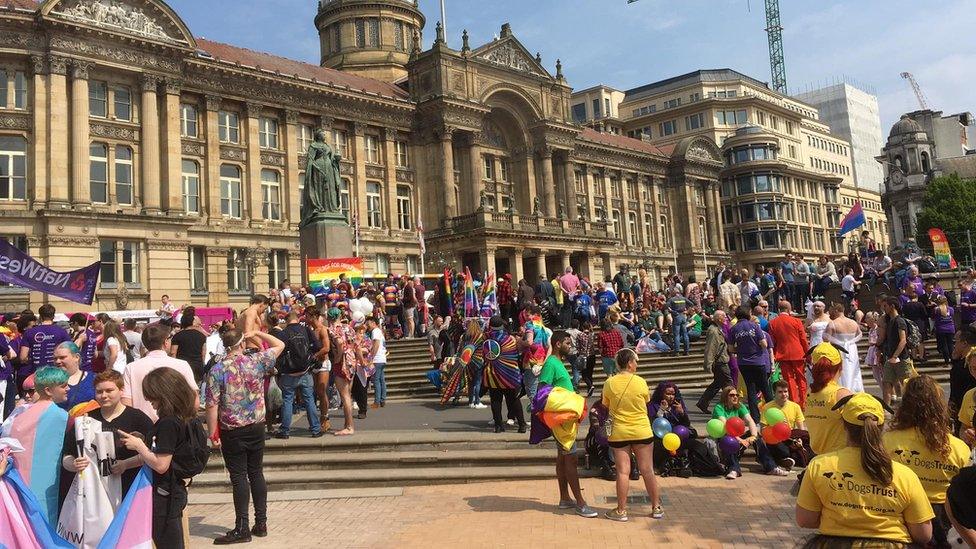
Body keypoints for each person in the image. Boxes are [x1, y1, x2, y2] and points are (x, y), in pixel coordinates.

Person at [796, 393, 934, 547]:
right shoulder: (905, 475)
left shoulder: (819, 465)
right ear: (881, 428)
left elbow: (805, 519)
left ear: (844, 426)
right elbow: (924, 534)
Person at [205, 328, 284, 544]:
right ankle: (261, 522)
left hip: (233, 428)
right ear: (242, 343)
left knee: (239, 477)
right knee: (256, 472)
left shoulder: (218, 369)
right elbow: (280, 345)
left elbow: (211, 405)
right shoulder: (256, 360)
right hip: (256, 425)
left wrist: (212, 433)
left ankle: (242, 526)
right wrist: (257, 332)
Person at [883, 375, 970, 547]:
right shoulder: (959, 448)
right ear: (939, 406)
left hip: (904, 513)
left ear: (905, 405)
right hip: (946, 517)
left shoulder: (888, 440)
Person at [119, 367, 199, 547]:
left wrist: (139, 446)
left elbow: (161, 464)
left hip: (165, 495)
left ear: (163, 394)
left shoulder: (168, 423)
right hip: (172, 491)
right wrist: (125, 463)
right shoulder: (181, 418)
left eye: (151, 395)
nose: (148, 400)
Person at [61, 369, 153, 496]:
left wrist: (126, 464)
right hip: (95, 493)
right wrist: (74, 464)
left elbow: (154, 455)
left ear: (121, 390)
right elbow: (67, 455)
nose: (104, 395)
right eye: (99, 392)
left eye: (109, 390)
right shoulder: (85, 419)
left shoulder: (138, 418)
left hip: (130, 489)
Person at [539, 331, 596, 518]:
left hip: (565, 420)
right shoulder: (550, 363)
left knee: (562, 458)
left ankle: (565, 498)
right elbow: (543, 391)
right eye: (567, 342)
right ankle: (580, 503)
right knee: (570, 458)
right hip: (561, 422)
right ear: (556, 344)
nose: (570, 345)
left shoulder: (558, 363)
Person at [602, 348, 663, 521]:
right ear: (629, 363)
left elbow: (606, 405)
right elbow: (646, 402)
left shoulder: (609, 383)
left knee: (622, 472)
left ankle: (621, 511)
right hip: (641, 429)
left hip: (619, 431)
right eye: (635, 361)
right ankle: (656, 507)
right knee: (647, 470)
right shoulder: (641, 382)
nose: (637, 364)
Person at [6, 366, 69, 526]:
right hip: (45, 488)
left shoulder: (18, 413)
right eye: (63, 386)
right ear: (48, 390)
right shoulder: (60, 415)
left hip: (16, 483)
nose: (67, 388)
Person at [122, 323, 198, 423]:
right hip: (176, 425)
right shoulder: (182, 365)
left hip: (142, 425)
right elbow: (194, 400)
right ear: (165, 342)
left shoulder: (131, 367)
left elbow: (126, 402)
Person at [712, 386, 787, 478]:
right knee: (730, 441)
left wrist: (753, 436)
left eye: (737, 395)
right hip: (724, 438)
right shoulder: (719, 408)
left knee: (757, 438)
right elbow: (726, 427)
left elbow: (750, 421)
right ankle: (733, 469)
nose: (735, 397)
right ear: (725, 396)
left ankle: (771, 467)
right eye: (731, 395)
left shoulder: (740, 406)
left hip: (737, 436)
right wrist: (740, 440)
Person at [273, 311, 323, 439]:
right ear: (297, 319)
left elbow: (278, 352)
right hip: (305, 371)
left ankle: (285, 430)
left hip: (288, 373)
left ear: (286, 321)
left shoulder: (283, 333)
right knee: (309, 400)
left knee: (287, 401)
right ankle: (315, 429)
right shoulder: (306, 330)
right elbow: (317, 346)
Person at [805, 342, 853, 456]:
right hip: (840, 458)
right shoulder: (841, 394)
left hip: (816, 456)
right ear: (840, 367)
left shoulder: (810, 392)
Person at [482, 316, 525, 433]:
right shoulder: (510, 339)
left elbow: (484, 354)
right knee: (514, 400)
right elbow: (516, 353)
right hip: (509, 375)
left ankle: (498, 426)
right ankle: (522, 425)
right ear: (502, 325)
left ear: (490, 325)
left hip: (493, 374)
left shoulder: (485, 338)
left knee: (496, 401)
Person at [728, 306, 770, 423]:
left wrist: (741, 350)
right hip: (758, 361)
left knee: (751, 390)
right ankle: (773, 413)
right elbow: (764, 344)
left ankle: (755, 418)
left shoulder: (733, 329)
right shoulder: (754, 326)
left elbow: (731, 348)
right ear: (748, 314)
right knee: (765, 388)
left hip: (743, 363)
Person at [768, 300, 809, 409]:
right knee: (801, 378)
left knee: (788, 379)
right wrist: (807, 354)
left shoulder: (772, 323)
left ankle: (794, 403)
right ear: (789, 309)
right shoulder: (796, 321)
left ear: (778, 310)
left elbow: (772, 341)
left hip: (782, 354)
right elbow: (803, 339)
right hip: (798, 353)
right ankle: (803, 403)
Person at [761, 380, 807, 469]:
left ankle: (784, 460)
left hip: (791, 438)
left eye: (785, 391)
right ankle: (782, 459)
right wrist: (777, 427)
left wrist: (800, 440)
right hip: (775, 438)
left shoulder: (795, 407)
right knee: (783, 451)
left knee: (809, 448)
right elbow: (763, 429)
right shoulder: (767, 407)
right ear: (774, 393)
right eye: (780, 392)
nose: (784, 394)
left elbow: (801, 430)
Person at [19, 303, 70, 383]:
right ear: (53, 316)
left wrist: (35, 358)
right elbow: (69, 352)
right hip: (56, 374)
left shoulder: (29, 332)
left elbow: (23, 358)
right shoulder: (62, 332)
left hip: (37, 374)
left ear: (40, 316)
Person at [823, 303, 864, 392]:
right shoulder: (853, 322)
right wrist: (851, 341)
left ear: (836, 310)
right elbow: (860, 334)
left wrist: (837, 342)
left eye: (832, 310)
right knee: (853, 369)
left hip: (838, 349)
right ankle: (854, 390)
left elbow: (825, 338)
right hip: (852, 349)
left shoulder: (833, 323)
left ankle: (843, 391)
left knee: (842, 371)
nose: (831, 313)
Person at [696, 309, 730, 414]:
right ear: (718, 318)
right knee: (729, 384)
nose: (726, 318)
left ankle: (703, 402)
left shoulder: (719, 329)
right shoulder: (713, 331)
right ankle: (731, 405)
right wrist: (708, 363)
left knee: (717, 384)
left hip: (722, 359)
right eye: (724, 316)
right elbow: (710, 348)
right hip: (720, 362)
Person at [881, 296, 912, 407]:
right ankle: (886, 408)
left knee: (906, 384)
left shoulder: (899, 321)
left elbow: (903, 340)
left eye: (885, 306)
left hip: (901, 358)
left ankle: (910, 407)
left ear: (892, 306)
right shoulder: (889, 321)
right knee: (886, 382)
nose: (884, 308)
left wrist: (895, 356)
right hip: (890, 358)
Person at [305, 307, 332, 431]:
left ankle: (325, 418)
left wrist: (315, 355)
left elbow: (326, 348)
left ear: (313, 316)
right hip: (314, 365)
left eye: (307, 316)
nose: (305, 319)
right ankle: (318, 419)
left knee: (321, 391)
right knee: (315, 392)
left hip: (323, 363)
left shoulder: (322, 329)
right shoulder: (310, 330)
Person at [53, 341, 95, 411]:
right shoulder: (50, 381)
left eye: (62, 357)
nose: (57, 361)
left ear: (76, 357)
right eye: (55, 358)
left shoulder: (93, 379)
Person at [171, 308, 208, 386]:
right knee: (196, 389)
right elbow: (203, 354)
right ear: (192, 322)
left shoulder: (177, 336)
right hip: (197, 367)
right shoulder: (202, 336)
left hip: (182, 367)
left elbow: (172, 353)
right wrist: (202, 364)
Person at [366, 316, 388, 409]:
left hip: (377, 359)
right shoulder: (379, 331)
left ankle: (377, 401)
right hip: (382, 358)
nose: (367, 326)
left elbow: (376, 344)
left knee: (376, 380)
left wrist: (371, 357)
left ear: (373, 322)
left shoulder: (375, 331)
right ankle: (382, 399)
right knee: (381, 380)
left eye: (368, 323)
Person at [931, 294, 955, 364]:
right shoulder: (951, 309)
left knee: (944, 345)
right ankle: (953, 360)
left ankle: (946, 361)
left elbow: (932, 318)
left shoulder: (936, 309)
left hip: (940, 329)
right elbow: (952, 316)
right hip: (950, 328)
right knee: (950, 344)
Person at [666, 289, 691, 356]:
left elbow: (666, 307)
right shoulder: (683, 298)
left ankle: (677, 351)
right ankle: (687, 351)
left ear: (674, 292)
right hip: (683, 316)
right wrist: (687, 311)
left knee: (676, 335)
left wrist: (672, 311)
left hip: (676, 316)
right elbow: (692, 304)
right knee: (685, 334)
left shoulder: (672, 299)